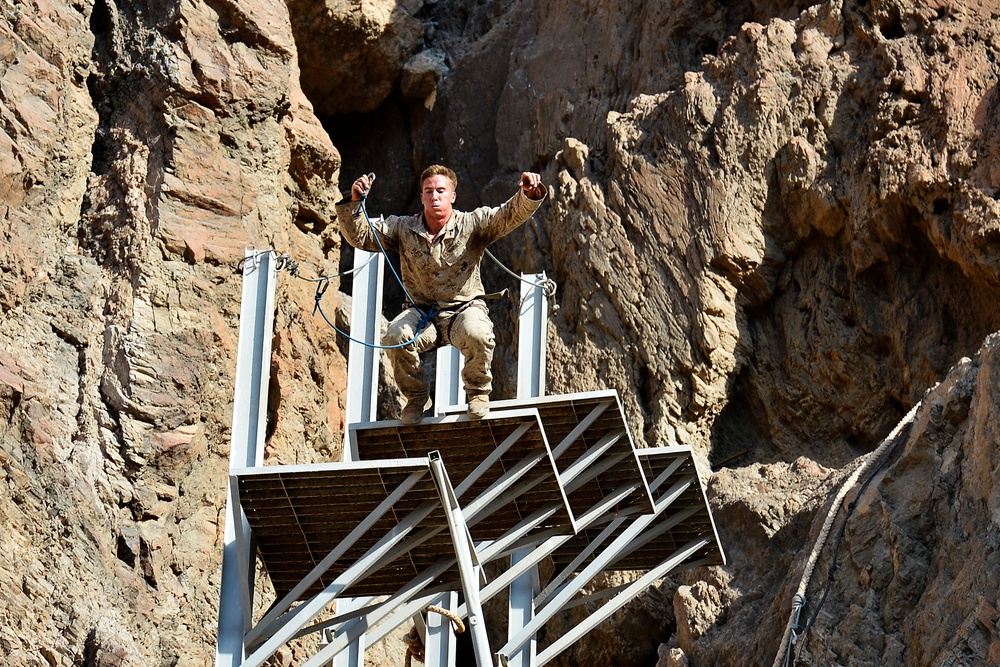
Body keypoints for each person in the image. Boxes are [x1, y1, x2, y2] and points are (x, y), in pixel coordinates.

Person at [337, 165, 546, 424]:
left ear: (452, 196)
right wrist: (355, 202)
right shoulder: (402, 228)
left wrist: (528, 194)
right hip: (423, 314)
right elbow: (362, 236)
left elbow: (506, 216)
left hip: (463, 310)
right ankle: (416, 397)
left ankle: (478, 392)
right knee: (394, 336)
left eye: (440, 190)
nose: (435, 196)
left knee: (478, 333)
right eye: (429, 191)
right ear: (422, 197)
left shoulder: (471, 223)